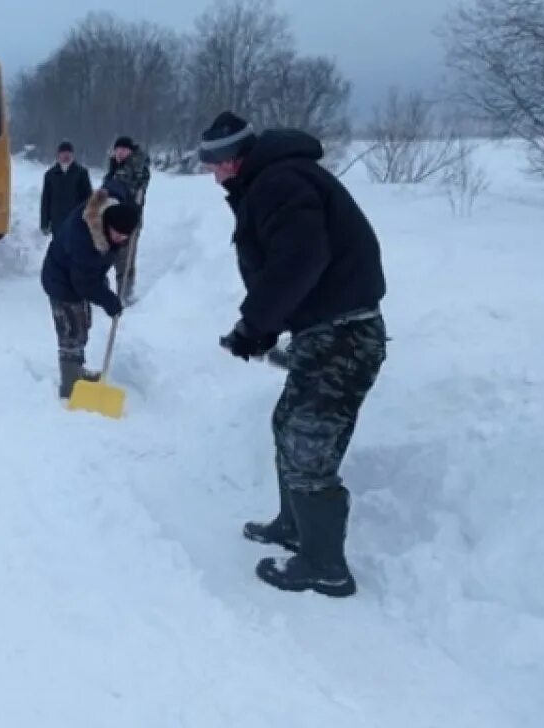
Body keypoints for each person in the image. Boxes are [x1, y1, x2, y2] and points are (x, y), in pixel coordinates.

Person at [200, 111, 388, 598]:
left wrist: (254, 325)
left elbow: (300, 260)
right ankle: (293, 526)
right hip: (324, 329)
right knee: (289, 425)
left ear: (236, 159)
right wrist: (262, 330)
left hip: (343, 333)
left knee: (308, 445)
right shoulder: (275, 181)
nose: (212, 172)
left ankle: (325, 566)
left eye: (216, 162)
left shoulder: (279, 182)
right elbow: (289, 266)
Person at [40, 180, 141, 398]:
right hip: (62, 281)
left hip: (80, 273)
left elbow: (116, 185)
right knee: (71, 330)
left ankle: (78, 371)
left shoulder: (109, 204)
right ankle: (70, 385)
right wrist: (109, 301)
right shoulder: (84, 239)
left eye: (126, 236)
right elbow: (84, 284)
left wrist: (132, 199)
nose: (121, 239)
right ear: (106, 223)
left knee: (84, 322)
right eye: (117, 234)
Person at [103, 135, 151, 303]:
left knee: (124, 259)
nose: (120, 153)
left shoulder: (135, 166)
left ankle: (125, 295)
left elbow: (125, 188)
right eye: (118, 149)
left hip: (127, 220)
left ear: (130, 151)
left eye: (124, 150)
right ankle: (115, 291)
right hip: (112, 218)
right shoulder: (117, 166)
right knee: (112, 257)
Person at [40, 140, 93, 238]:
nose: (66, 155)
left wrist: (89, 220)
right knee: (59, 249)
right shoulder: (50, 174)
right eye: (63, 153)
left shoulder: (81, 173)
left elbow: (89, 198)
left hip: (76, 220)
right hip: (57, 221)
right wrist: (44, 223)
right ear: (58, 155)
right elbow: (46, 200)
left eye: (68, 153)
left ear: (72, 154)